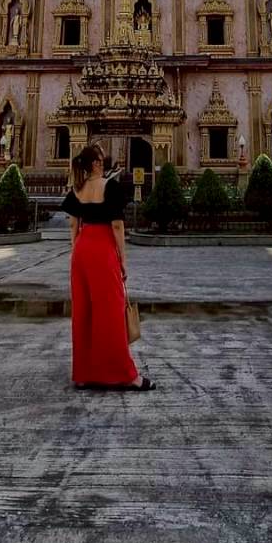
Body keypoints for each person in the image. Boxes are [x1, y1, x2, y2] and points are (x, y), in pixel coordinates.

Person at [60, 144, 154, 391]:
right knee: (111, 311)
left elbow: (73, 226)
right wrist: (122, 258)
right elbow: (117, 226)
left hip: (81, 250)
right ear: (95, 164)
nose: (105, 163)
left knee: (84, 311)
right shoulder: (109, 186)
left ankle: (83, 374)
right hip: (103, 249)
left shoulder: (77, 188)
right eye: (101, 159)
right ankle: (127, 375)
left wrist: (76, 250)